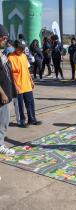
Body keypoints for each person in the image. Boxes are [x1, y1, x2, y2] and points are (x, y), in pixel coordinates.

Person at [9, 40, 42, 128]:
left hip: (26, 84)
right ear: (15, 48)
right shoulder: (11, 58)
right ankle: (21, 121)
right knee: (19, 105)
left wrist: (31, 81)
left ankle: (32, 119)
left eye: (23, 49)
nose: (22, 50)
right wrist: (14, 86)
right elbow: (10, 75)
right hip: (17, 86)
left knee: (30, 103)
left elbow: (27, 70)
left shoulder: (24, 56)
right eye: (20, 49)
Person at [0, 24, 16, 155]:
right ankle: (0, 144)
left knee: (4, 121)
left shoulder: (2, 53)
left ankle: (0, 143)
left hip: (6, 94)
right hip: (2, 96)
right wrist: (3, 93)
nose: (6, 41)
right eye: (4, 38)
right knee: (3, 121)